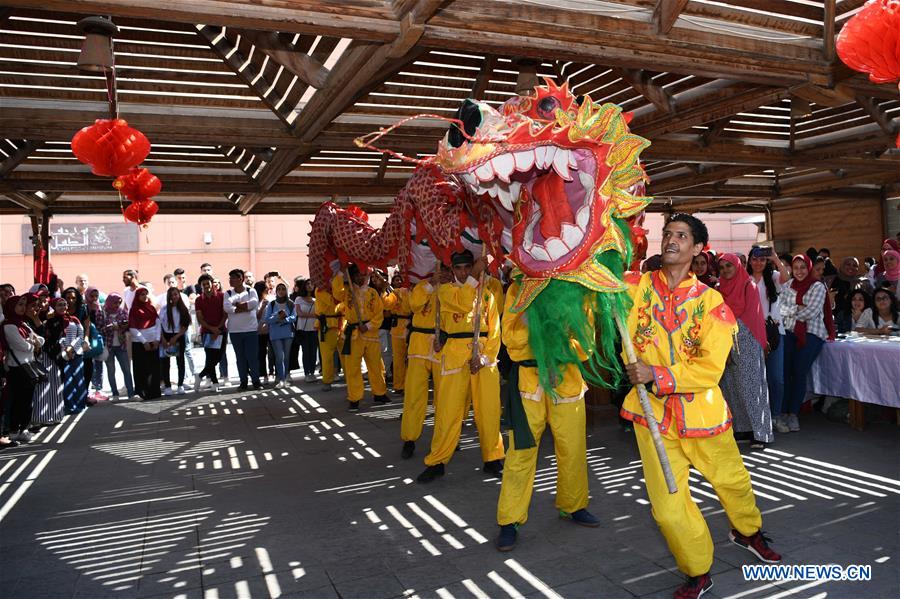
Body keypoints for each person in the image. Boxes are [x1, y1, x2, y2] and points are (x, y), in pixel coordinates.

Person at [622, 214, 780, 598]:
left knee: (733, 483)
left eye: (681, 236)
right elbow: (600, 285)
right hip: (653, 416)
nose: (671, 240)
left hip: (704, 415)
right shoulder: (637, 289)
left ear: (696, 250)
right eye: (667, 234)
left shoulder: (713, 304)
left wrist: (656, 374)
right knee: (668, 507)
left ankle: (747, 531)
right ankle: (697, 571)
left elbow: (710, 369)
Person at [495, 273, 599, 552]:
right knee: (520, 452)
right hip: (529, 382)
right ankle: (510, 520)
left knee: (573, 447)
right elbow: (510, 338)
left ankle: (573, 504)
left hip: (566, 379)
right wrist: (535, 331)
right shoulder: (518, 288)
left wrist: (556, 352)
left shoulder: (578, 290)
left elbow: (586, 342)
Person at [417, 250, 505, 483]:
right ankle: (437, 461)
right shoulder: (445, 291)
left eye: (468, 267)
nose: (464, 272)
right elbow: (464, 304)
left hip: (483, 358)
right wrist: (475, 276)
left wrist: (485, 358)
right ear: (452, 270)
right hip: (455, 357)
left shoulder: (487, 295)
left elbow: (495, 331)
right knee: (448, 411)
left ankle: (492, 457)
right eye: (460, 268)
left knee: (489, 410)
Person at [717, 254, 772, 449]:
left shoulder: (750, 286)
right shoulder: (719, 290)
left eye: (729, 266)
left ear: (738, 266)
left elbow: (749, 316)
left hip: (747, 340)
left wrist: (730, 334)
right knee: (731, 386)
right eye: (722, 267)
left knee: (751, 387)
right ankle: (742, 428)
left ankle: (761, 433)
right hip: (725, 342)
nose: (725, 270)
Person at [400, 265, 446, 459]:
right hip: (419, 347)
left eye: (447, 271)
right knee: (414, 395)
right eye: (441, 270)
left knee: (444, 397)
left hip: (442, 347)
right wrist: (431, 284)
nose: (444, 274)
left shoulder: (453, 289)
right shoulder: (421, 286)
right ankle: (409, 439)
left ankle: (445, 439)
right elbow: (415, 305)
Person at [778, 255, 827, 433]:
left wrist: (791, 310)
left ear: (809, 268)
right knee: (785, 372)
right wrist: (796, 308)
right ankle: (782, 412)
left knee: (799, 372)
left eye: (803, 267)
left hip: (811, 334)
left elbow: (811, 312)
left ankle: (793, 414)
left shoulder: (817, 286)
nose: (799, 271)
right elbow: (779, 309)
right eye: (796, 267)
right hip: (790, 333)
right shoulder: (787, 286)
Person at [333, 264, 389, 410]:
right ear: (351, 277)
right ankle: (355, 397)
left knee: (376, 365)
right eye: (357, 274)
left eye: (363, 274)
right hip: (353, 334)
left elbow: (379, 313)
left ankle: (380, 393)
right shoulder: (347, 292)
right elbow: (336, 293)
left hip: (371, 334)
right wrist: (340, 272)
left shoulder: (373, 292)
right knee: (353, 368)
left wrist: (369, 325)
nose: (360, 277)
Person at [747, 248, 789, 428]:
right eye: (755, 259)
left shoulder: (772, 277)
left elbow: (786, 278)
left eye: (763, 260)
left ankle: (775, 415)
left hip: (773, 333)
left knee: (776, 379)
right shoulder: (745, 279)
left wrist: (775, 258)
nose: (758, 263)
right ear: (749, 261)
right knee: (755, 379)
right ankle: (758, 417)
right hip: (751, 333)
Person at [2, 294, 44, 443]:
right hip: (17, 368)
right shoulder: (9, 325)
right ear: (11, 307)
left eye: (23, 304)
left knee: (27, 401)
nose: (22, 308)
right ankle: (14, 431)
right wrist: (33, 343)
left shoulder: (23, 323)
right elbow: (22, 346)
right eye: (19, 304)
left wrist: (32, 342)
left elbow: (40, 339)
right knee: (18, 401)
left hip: (28, 366)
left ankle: (24, 429)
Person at [224, 269, 262, 391]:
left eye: (232, 278)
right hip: (235, 331)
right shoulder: (228, 293)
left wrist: (236, 305)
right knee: (240, 358)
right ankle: (243, 382)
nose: (230, 280)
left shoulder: (251, 291)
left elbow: (253, 304)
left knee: (252, 357)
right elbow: (227, 307)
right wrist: (243, 307)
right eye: (229, 278)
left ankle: (256, 381)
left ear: (240, 279)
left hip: (251, 330)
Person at [95, 292, 134, 400]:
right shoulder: (101, 313)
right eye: (115, 302)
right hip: (108, 346)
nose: (117, 305)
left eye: (119, 302)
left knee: (126, 370)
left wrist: (123, 326)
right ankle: (115, 393)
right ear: (109, 302)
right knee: (111, 370)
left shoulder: (122, 312)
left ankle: (131, 393)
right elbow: (98, 329)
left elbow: (128, 326)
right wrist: (111, 327)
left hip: (121, 345)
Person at [53, 296, 89, 413]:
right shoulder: (53, 321)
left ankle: (80, 404)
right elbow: (57, 337)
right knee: (67, 381)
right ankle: (70, 406)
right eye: (59, 305)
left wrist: (72, 347)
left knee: (79, 379)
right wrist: (65, 348)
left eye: (64, 304)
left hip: (76, 353)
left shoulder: (74, 319)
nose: (63, 307)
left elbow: (80, 334)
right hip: (63, 355)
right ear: (54, 307)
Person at [129, 286, 162, 401]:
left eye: (146, 294)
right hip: (139, 344)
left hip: (154, 343)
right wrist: (144, 342)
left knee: (154, 368)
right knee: (140, 368)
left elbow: (158, 324)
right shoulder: (134, 310)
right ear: (137, 297)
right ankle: (142, 392)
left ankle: (154, 392)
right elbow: (133, 328)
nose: (145, 296)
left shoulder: (151, 308)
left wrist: (157, 339)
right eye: (142, 294)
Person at [194, 274, 225, 392]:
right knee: (210, 358)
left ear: (212, 284)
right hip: (207, 332)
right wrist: (212, 329)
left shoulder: (222, 296)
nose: (206, 286)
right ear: (200, 286)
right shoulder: (199, 299)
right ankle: (215, 384)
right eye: (203, 284)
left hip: (222, 330)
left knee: (219, 357)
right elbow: (200, 319)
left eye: (208, 283)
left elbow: (225, 314)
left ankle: (200, 375)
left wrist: (218, 328)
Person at [265, 282, 296, 388]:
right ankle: (281, 379)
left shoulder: (290, 303)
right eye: (279, 289)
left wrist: (285, 319)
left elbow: (294, 317)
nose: (281, 291)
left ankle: (286, 376)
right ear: (276, 291)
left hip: (288, 333)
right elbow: (267, 319)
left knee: (286, 357)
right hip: (275, 334)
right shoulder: (272, 304)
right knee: (279, 357)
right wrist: (277, 317)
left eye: (283, 289)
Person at [159, 287, 190, 395]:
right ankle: (167, 386)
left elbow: (185, 326)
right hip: (166, 336)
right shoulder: (164, 309)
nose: (174, 297)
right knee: (165, 363)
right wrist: (163, 339)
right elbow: (160, 325)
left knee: (180, 361)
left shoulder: (183, 309)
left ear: (179, 295)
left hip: (179, 336)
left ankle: (180, 385)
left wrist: (176, 337)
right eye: (171, 295)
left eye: (176, 294)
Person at [384, 273, 411, 395]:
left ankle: (410, 384)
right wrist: (384, 291)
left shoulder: (417, 290)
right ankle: (399, 385)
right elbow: (387, 304)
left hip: (413, 328)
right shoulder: (395, 292)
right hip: (397, 329)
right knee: (399, 359)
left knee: (411, 359)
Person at [314, 279, 342, 392]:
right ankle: (327, 380)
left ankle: (350, 379)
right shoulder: (320, 291)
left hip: (342, 324)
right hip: (327, 326)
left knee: (347, 355)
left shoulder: (340, 289)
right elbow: (335, 301)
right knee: (327, 356)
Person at [292, 279, 318, 383]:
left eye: (312, 283)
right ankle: (307, 373)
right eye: (308, 284)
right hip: (303, 329)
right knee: (306, 351)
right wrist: (314, 315)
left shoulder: (316, 299)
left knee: (313, 351)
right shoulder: (299, 298)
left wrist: (313, 316)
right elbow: (299, 313)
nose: (310, 285)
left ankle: (312, 373)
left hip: (314, 328)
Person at [254, 280, 275, 384]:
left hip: (271, 330)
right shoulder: (255, 301)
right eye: (266, 287)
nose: (268, 288)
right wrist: (262, 307)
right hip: (259, 331)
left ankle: (274, 373)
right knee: (261, 354)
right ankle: (264, 376)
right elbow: (256, 316)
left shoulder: (272, 299)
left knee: (274, 353)